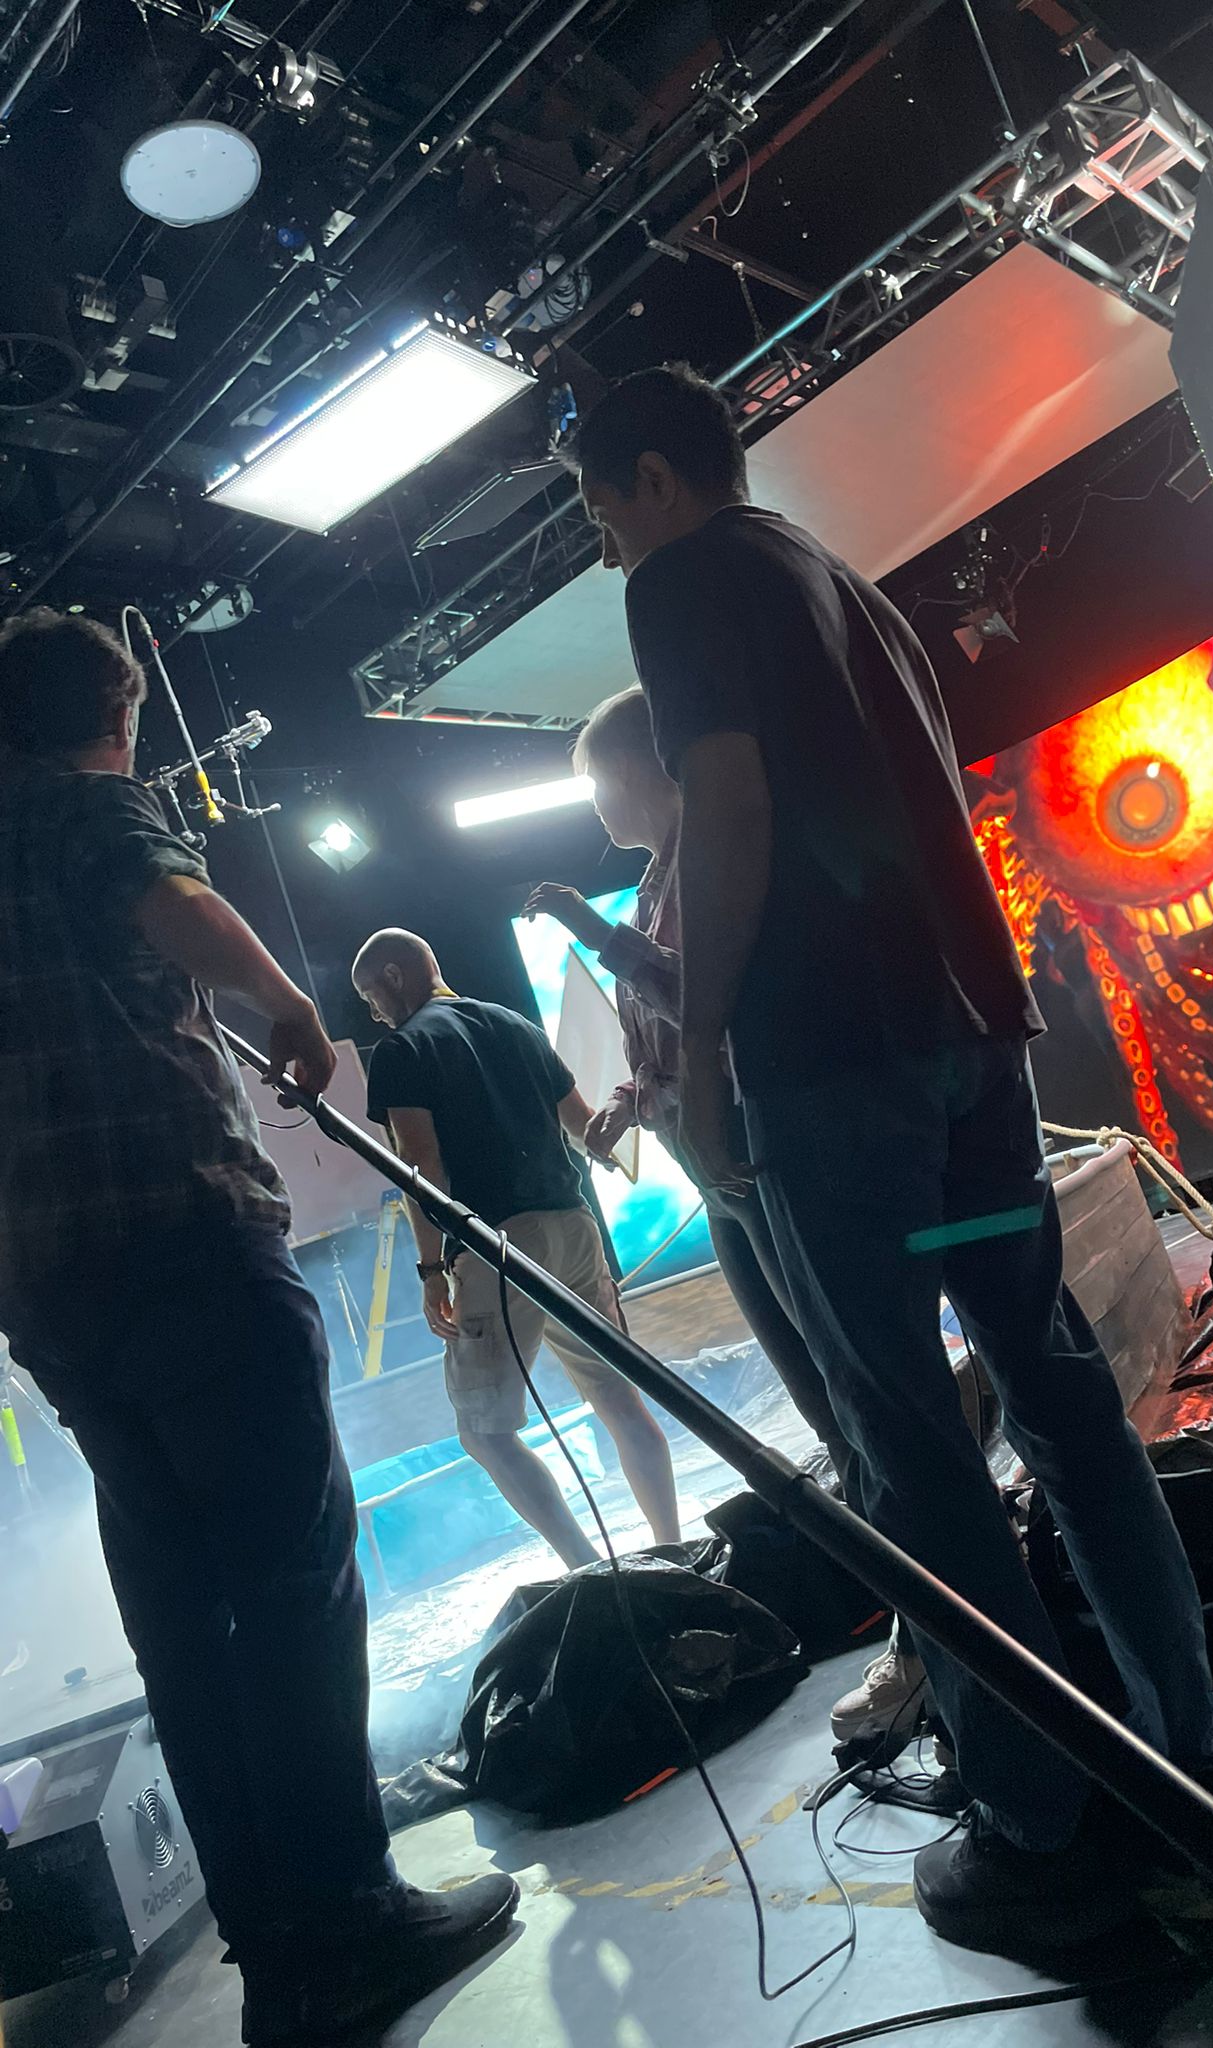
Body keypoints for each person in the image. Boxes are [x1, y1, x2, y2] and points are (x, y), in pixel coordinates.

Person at [573, 364, 1213, 1956]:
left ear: (656, 477)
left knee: (912, 1457)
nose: (605, 542)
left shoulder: (686, 578)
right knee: (1058, 1395)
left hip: (831, 1073)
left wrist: (710, 1051)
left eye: (601, 508)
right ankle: (1204, 1765)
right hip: (968, 1047)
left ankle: (1034, 1823)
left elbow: (730, 805)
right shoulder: (844, 584)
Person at [0, 609, 517, 2048]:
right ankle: (352, 1917)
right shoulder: (86, 805)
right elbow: (169, 897)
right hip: (183, 1240)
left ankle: (278, 1961)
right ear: (117, 720)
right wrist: (290, 1006)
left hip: (53, 1295)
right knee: (293, 1579)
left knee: (182, 1623)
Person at [525, 689, 927, 1748]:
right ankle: (924, 1621)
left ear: (639, 770)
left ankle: (941, 1632)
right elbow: (669, 1037)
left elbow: (708, 1003)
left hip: (756, 1149)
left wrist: (592, 934)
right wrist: (629, 1101)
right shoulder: (657, 879)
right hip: (718, 1167)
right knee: (826, 1402)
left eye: (597, 782)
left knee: (853, 1393)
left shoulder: (710, 860)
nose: (595, 805)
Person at [351, 929, 681, 1569]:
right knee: (620, 1400)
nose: (374, 1014)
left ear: (393, 976)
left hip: (497, 1243)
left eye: (371, 997)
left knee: (485, 1432)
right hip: (574, 1226)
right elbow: (586, 1130)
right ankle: (675, 1548)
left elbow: (422, 1169)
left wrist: (430, 1269)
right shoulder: (517, 1025)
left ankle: (591, 1569)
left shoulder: (402, 1049)